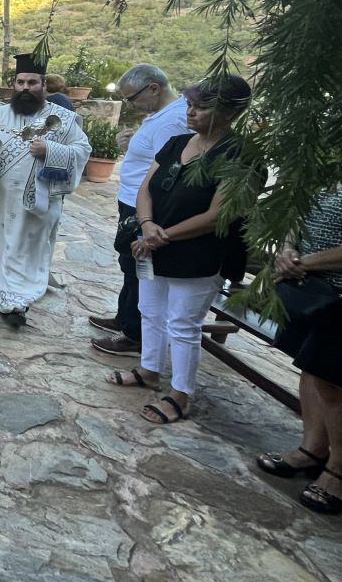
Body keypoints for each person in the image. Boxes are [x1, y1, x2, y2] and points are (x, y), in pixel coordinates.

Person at [107, 75, 252, 424]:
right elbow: (146, 188)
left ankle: (181, 394)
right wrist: (146, 224)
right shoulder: (177, 142)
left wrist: (162, 235)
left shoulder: (239, 155)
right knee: (150, 311)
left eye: (202, 107)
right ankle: (149, 370)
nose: (191, 112)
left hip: (198, 254)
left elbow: (218, 214)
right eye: (190, 105)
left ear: (230, 113)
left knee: (183, 324)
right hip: (153, 244)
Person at [258, 151, 342, 514]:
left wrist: (305, 262)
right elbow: (300, 207)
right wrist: (288, 248)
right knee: (311, 369)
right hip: (314, 291)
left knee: (337, 385)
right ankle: (313, 450)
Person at [0, 53, 91, 330]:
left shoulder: (63, 119)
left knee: (26, 248)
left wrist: (51, 150)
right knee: (0, 243)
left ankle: (16, 302)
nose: (25, 87)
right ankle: (2, 283)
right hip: (1, 198)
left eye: (32, 82)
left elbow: (82, 150)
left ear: (43, 85)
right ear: (14, 84)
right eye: (20, 82)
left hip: (38, 201)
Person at [90, 64, 190, 357]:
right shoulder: (159, 116)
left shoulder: (173, 121)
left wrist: (147, 217)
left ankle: (134, 334)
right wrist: (130, 147)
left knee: (139, 269)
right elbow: (152, 159)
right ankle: (124, 317)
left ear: (154, 88)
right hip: (133, 201)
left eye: (132, 98)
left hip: (145, 207)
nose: (130, 104)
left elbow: (168, 172)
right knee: (128, 263)